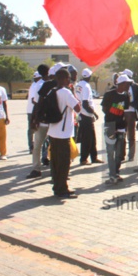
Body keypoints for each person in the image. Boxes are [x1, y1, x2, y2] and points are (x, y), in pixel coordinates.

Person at [47, 68, 81, 198]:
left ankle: (57, 187)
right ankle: (62, 189)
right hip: (64, 133)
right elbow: (78, 108)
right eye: (68, 78)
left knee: (55, 162)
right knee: (64, 163)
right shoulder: (66, 92)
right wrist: (73, 93)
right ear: (65, 79)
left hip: (53, 131)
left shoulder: (52, 91)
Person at [101, 74, 131, 184]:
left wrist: (125, 126)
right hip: (110, 126)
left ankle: (116, 172)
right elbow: (104, 109)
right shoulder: (109, 94)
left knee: (119, 152)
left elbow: (126, 112)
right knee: (110, 151)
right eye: (127, 84)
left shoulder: (126, 96)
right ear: (121, 84)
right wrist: (112, 118)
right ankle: (112, 175)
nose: (129, 85)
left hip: (121, 127)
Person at [76, 68, 103, 166]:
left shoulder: (78, 85)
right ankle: (83, 159)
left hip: (82, 114)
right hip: (86, 115)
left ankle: (94, 157)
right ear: (90, 76)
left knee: (91, 137)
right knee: (87, 139)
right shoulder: (86, 86)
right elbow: (85, 103)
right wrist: (94, 113)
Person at [120, 69, 138, 162]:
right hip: (121, 112)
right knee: (121, 133)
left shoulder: (136, 87)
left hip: (131, 112)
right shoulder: (120, 85)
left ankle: (131, 154)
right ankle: (121, 154)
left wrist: (131, 104)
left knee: (131, 134)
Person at [25, 71, 42, 153]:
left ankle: (31, 146)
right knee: (37, 129)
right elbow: (34, 100)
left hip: (29, 110)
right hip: (34, 110)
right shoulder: (38, 85)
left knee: (31, 129)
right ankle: (33, 147)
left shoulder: (32, 85)